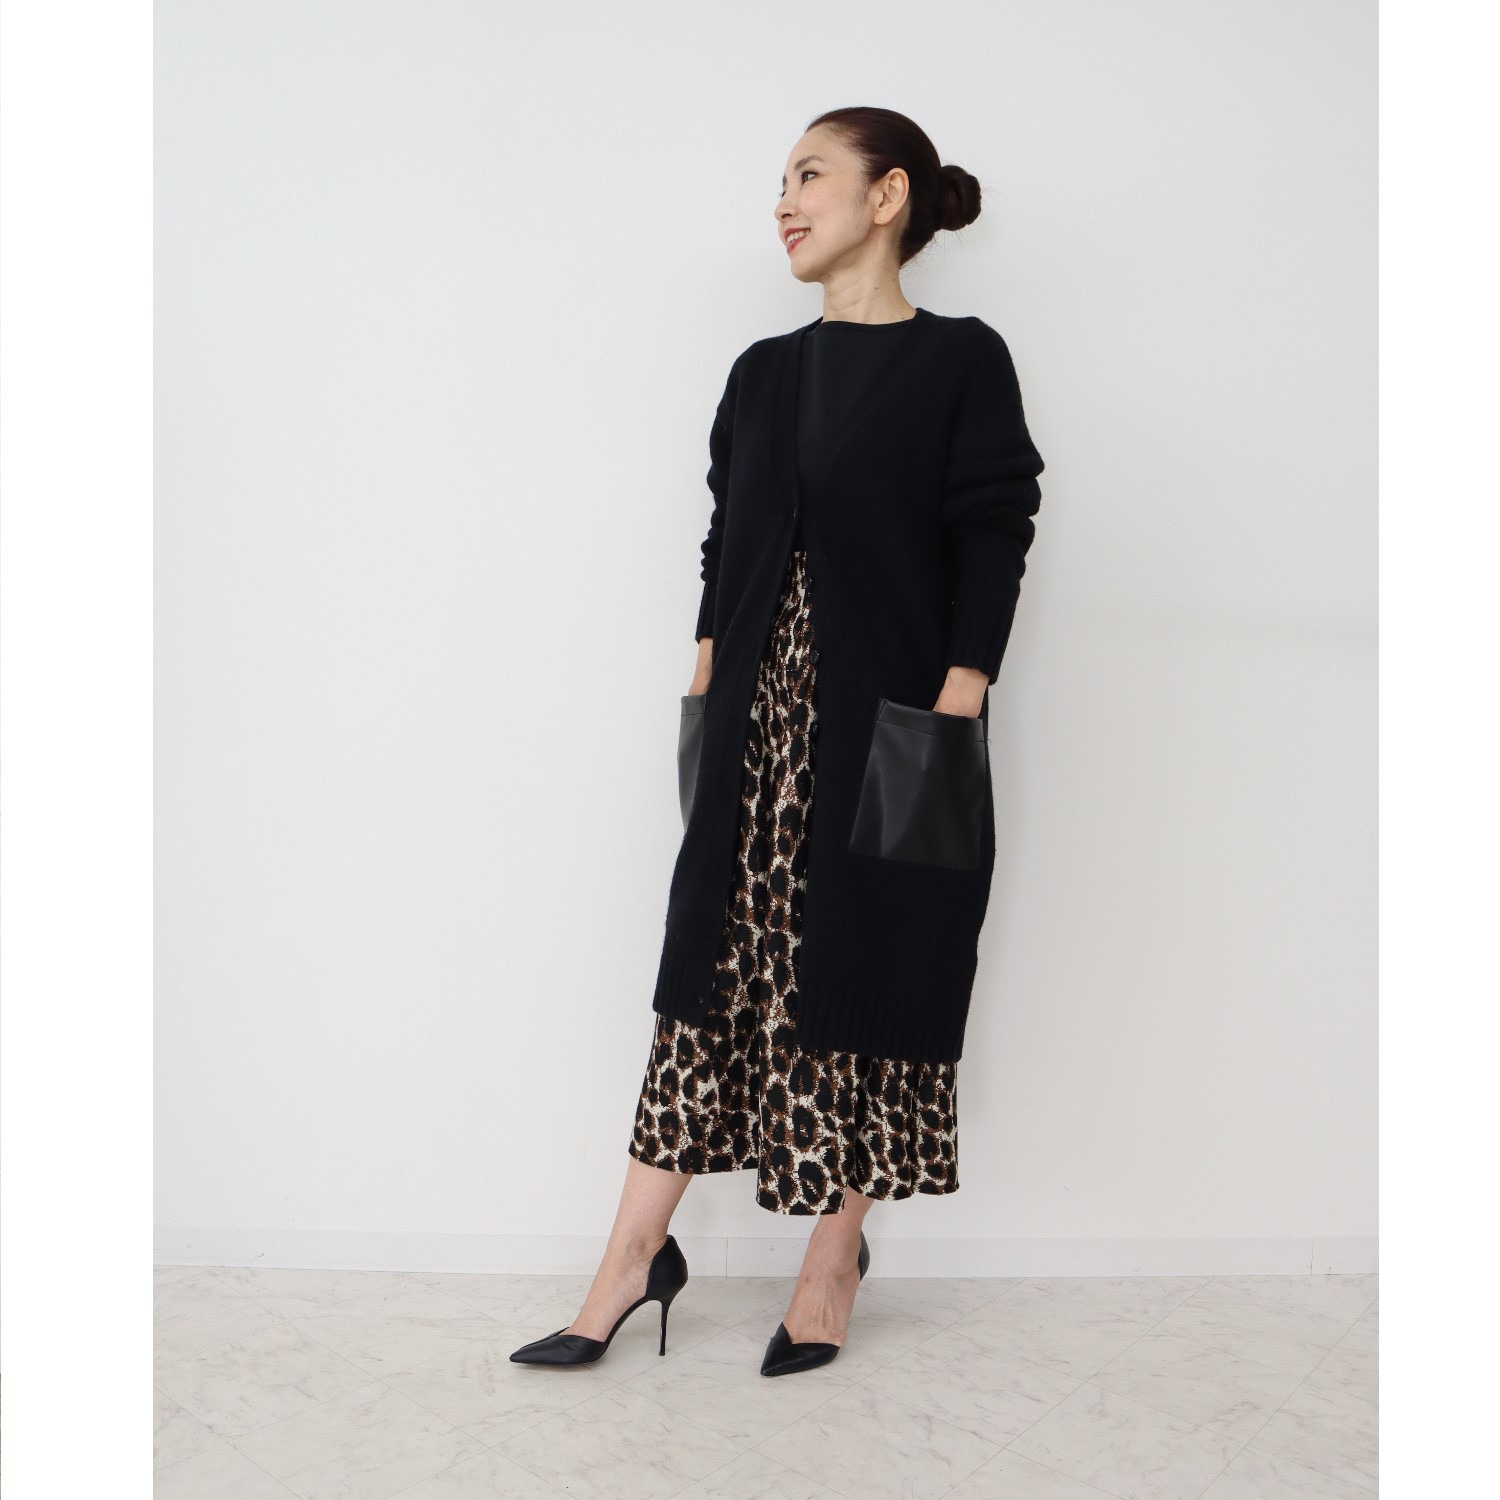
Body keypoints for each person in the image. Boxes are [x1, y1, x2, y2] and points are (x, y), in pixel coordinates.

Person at [512, 106, 1045, 1376]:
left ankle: (830, 1259)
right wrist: (706, 674)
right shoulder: (761, 373)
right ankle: (630, 1261)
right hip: (752, 730)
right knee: (707, 980)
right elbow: (726, 539)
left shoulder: (961, 359)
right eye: (781, 181)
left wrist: (959, 696)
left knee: (875, 980)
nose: (785, 202)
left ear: (887, 196)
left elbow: (994, 528)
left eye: (810, 175)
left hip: (894, 730)